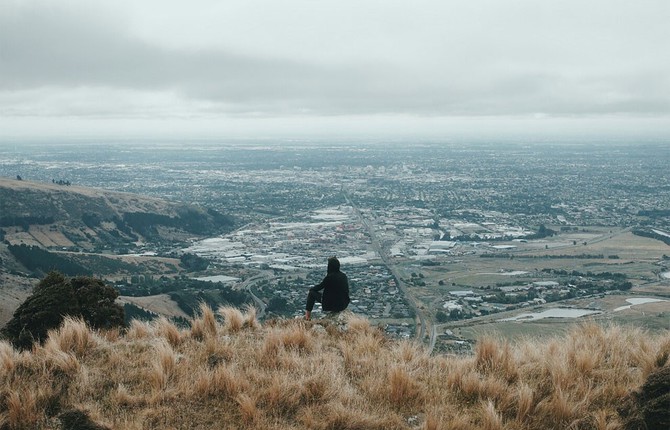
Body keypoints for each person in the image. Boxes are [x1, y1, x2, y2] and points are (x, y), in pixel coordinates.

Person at [305, 256, 350, 320]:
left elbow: (319, 287)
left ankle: (307, 317)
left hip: (332, 305)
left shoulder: (329, 277)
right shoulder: (343, 276)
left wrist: (311, 289)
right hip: (343, 304)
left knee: (311, 293)